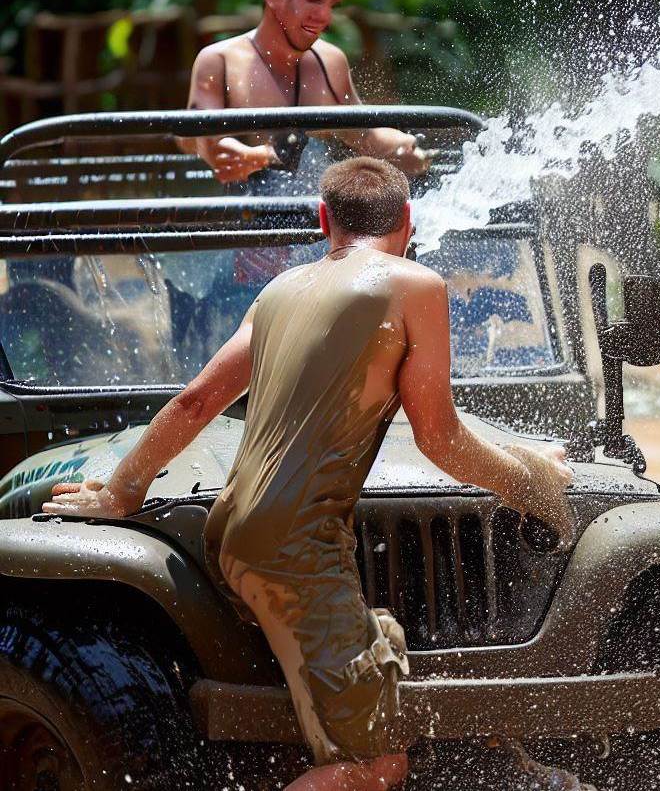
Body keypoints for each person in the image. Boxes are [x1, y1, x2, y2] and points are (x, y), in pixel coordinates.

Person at [43, 157, 575, 791]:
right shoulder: (417, 286)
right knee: (373, 769)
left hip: (232, 535)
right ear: (408, 219)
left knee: (375, 686)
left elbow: (195, 402)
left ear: (324, 220)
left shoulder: (278, 291)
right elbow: (441, 438)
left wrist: (121, 490)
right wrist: (536, 481)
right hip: (296, 549)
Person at [185, 0, 430, 192]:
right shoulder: (219, 61)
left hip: (319, 214)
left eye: (332, 4)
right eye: (315, 0)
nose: (325, 16)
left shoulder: (331, 60)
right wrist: (250, 155)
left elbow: (363, 134)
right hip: (243, 218)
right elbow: (204, 141)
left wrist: (403, 146)